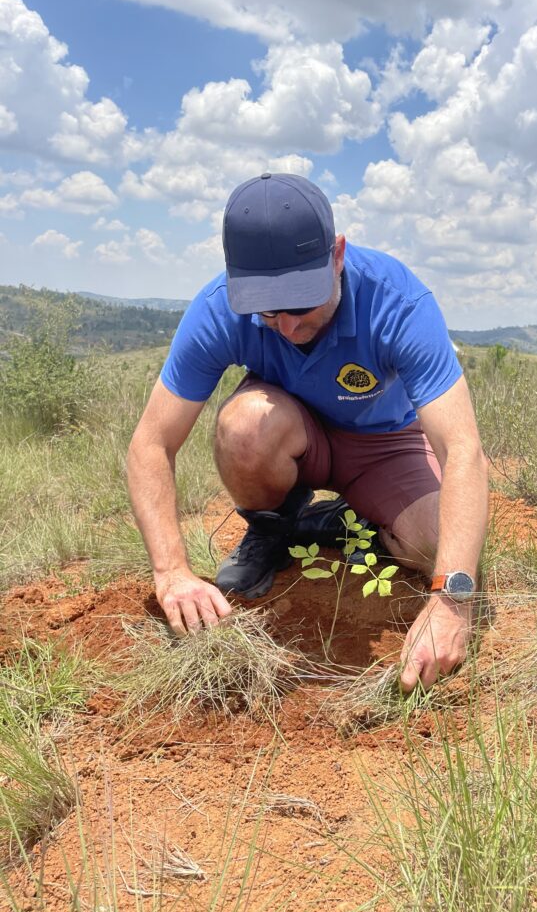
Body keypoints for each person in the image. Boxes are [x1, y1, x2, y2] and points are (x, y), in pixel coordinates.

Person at [127, 172, 488, 693]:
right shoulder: (219, 308)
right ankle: (276, 528)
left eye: (302, 303)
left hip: (381, 444)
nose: (288, 328)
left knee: (434, 545)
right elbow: (150, 444)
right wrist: (172, 572)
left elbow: (463, 450)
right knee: (244, 427)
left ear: (337, 254)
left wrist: (452, 600)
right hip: (288, 430)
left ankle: (350, 519)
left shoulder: (398, 301)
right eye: (269, 311)